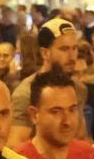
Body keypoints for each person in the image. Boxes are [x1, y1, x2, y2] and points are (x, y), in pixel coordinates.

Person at [9, 18, 85, 146]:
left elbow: (81, 135)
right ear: (45, 53)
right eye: (64, 49)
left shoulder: (78, 88)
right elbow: (15, 146)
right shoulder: (26, 93)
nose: (72, 56)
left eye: (75, 48)